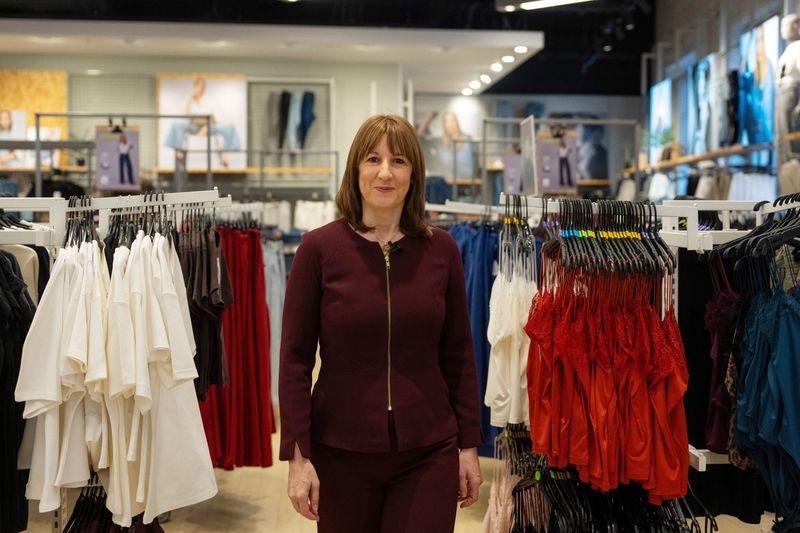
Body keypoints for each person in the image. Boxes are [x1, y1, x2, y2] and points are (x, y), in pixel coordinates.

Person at [280, 114, 484, 532]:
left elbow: (460, 354)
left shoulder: (442, 250)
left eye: (399, 161)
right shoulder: (318, 250)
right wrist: (298, 456)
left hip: (429, 450)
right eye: (373, 159)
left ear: (414, 174)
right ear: (356, 169)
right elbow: (294, 361)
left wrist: (468, 446)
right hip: (340, 451)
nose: (386, 172)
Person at [164, 76, 241, 168]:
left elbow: (214, 118)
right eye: (199, 86)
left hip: (209, 126)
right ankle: (179, 151)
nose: (201, 88)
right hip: (193, 126)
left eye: (202, 86)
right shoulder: (189, 99)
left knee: (229, 126)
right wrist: (190, 100)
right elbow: (184, 115)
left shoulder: (210, 100)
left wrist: (206, 126)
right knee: (176, 124)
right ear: (195, 87)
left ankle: (224, 153)